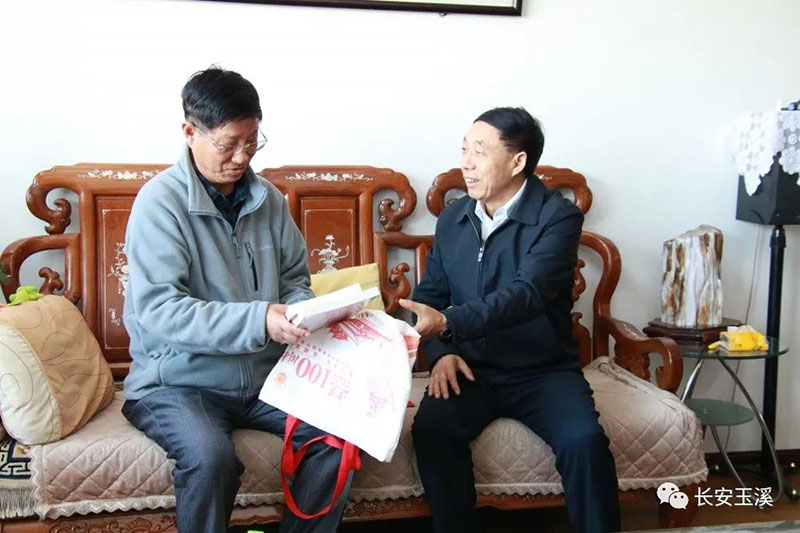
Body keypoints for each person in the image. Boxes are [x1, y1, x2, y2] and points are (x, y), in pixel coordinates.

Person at [121, 67, 352, 533]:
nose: (242, 157)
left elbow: (294, 278)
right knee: (211, 459)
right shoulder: (159, 204)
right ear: (190, 132)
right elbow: (161, 310)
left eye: (252, 142)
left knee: (339, 436)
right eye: (229, 144)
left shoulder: (269, 200)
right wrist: (259, 320)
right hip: (178, 382)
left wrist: (299, 310)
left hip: (267, 378)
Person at [399, 107, 621, 533]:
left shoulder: (557, 217)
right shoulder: (454, 217)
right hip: (470, 369)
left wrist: (446, 324)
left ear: (518, 161)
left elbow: (527, 295)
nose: (466, 163)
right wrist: (443, 353)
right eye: (464, 149)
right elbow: (431, 296)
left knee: (584, 442)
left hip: (542, 369)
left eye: (479, 152)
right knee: (432, 431)